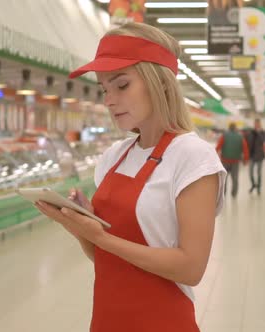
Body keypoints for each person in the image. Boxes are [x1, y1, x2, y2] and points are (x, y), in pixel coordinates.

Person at [34, 22, 226, 332]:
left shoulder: (193, 157)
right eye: (104, 89)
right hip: (108, 320)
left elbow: (191, 268)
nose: (109, 100)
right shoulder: (113, 157)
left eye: (121, 85)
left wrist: (99, 235)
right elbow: (106, 258)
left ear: (161, 83)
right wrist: (79, 227)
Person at [216, 122, 249, 198]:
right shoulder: (240, 137)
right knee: (235, 178)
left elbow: (218, 146)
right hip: (236, 161)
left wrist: (214, 157)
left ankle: (223, 193)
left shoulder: (224, 136)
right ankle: (234, 194)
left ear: (229, 128)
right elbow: (245, 149)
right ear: (235, 128)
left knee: (224, 179)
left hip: (225, 160)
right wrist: (246, 159)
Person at [247, 119, 265, 195]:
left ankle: (258, 188)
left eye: (258, 124)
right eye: (255, 124)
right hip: (252, 155)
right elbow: (248, 141)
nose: (256, 125)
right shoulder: (251, 132)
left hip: (260, 155)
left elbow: (263, 141)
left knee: (259, 173)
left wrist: (258, 133)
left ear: (260, 124)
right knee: (250, 172)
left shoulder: (262, 132)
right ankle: (253, 184)